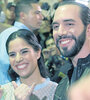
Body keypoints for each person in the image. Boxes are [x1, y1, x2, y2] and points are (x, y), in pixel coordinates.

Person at [0, 29, 57, 100]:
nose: (18, 59)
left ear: (38, 52)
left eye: (24, 52)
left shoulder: (57, 91)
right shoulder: (4, 92)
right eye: (12, 54)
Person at [52, 1, 90, 100]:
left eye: (69, 24)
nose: (60, 32)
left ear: (88, 29)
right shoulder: (61, 87)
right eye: (56, 26)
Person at [0, 0, 44, 84]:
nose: (41, 17)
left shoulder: (8, 32)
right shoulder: (15, 35)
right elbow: (6, 64)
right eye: (37, 13)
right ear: (23, 15)